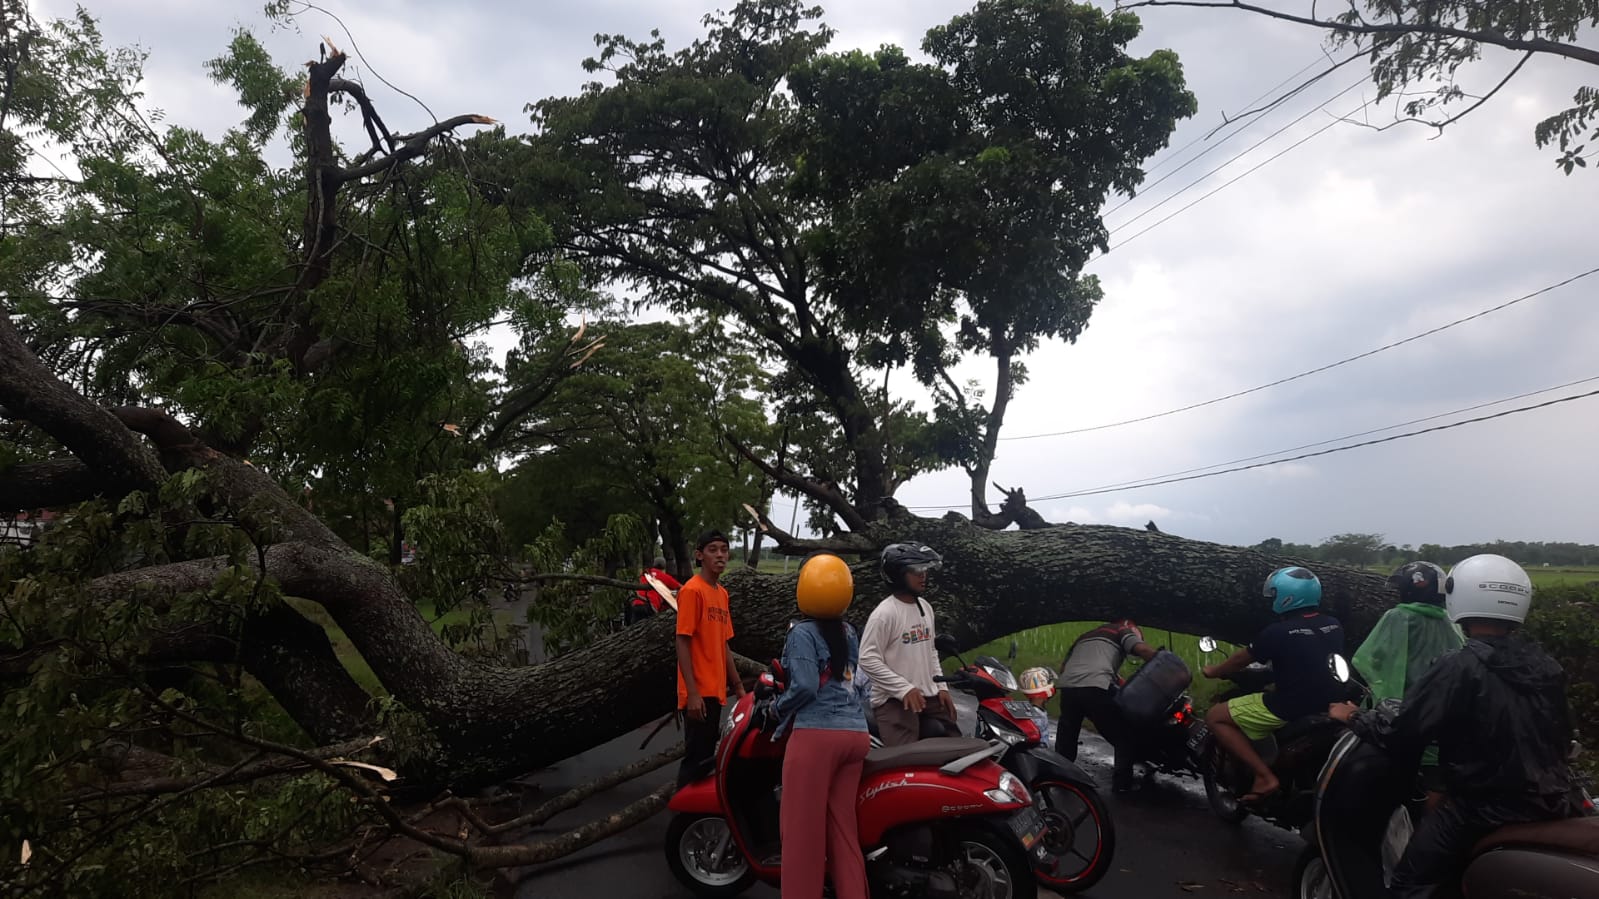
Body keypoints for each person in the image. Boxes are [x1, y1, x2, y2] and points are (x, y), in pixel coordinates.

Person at [1330, 554, 1584, 899]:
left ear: (1459, 596)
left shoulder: (1460, 664)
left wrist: (1354, 717)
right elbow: (1562, 732)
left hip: (1483, 805)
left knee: (1409, 883)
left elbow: (1403, 731)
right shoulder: (1545, 664)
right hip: (1554, 797)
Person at [770, 553, 870, 899]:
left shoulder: (802, 633)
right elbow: (863, 685)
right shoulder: (849, 631)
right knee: (844, 832)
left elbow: (805, 686)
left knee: (801, 836)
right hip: (855, 736)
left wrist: (775, 709)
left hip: (816, 738)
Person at [1201, 566, 1344, 804]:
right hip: (1330, 702)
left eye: (1275, 593)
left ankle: (1264, 776)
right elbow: (1306, 658)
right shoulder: (1333, 624)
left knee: (1215, 716)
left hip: (1290, 706)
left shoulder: (1278, 632)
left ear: (1287, 596)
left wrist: (1214, 671)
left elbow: (1239, 660)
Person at [1351, 561, 1465, 808]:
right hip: (1440, 715)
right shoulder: (1451, 621)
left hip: (1399, 713)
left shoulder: (1398, 617)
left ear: (1409, 589)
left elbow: (1367, 659)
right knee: (1436, 776)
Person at [858, 543, 958, 746]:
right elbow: (867, 659)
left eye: (925, 570)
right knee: (906, 758)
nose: (923, 576)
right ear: (897, 574)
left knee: (957, 746)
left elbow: (930, 652)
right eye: (916, 570)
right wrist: (903, 689)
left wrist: (942, 687)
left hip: (927, 696)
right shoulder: (885, 614)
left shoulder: (925, 608)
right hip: (893, 700)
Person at [675, 529, 746, 787]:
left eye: (724, 550)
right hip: (698, 693)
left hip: (715, 692)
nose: (720, 555)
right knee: (694, 762)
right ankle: (684, 820)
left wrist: (738, 686)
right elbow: (682, 641)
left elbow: (723, 644)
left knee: (706, 760)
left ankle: (697, 820)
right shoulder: (692, 591)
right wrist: (691, 693)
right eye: (713, 550)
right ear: (699, 555)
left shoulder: (722, 594)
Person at [1055, 619, 1155, 792]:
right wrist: (1165, 659)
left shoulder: (1085, 636)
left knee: (1068, 736)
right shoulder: (1122, 631)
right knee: (1123, 734)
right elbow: (1143, 650)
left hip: (1068, 686)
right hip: (1095, 686)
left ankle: (1059, 778)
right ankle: (1122, 786)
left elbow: (1065, 667)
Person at [630, 556, 682, 625]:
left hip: (636, 604)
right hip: (650, 607)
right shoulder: (664, 577)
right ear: (664, 567)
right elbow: (682, 588)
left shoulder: (645, 574)